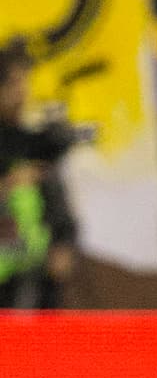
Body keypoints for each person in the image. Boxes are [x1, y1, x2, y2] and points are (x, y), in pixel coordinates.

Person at [0, 37, 81, 308]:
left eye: (24, 82)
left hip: (34, 280)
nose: (22, 92)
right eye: (13, 84)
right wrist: (10, 183)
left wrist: (63, 243)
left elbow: (57, 204)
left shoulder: (32, 143)